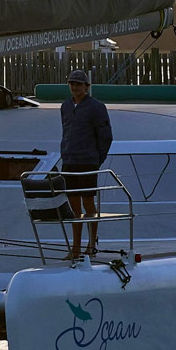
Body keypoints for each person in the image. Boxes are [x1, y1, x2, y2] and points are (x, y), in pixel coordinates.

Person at [60, 70, 112, 257]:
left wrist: (97, 160)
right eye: (72, 83)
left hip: (87, 162)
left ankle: (91, 244)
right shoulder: (65, 106)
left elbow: (106, 136)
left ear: (86, 86)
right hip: (69, 161)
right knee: (74, 207)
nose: (75, 87)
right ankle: (75, 248)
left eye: (78, 84)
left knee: (88, 203)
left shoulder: (97, 107)